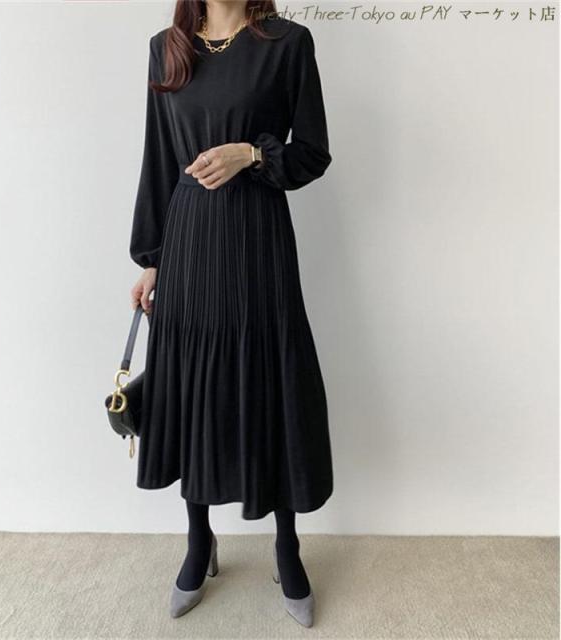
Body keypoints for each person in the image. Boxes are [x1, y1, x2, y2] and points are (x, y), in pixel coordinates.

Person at [129, 0, 334, 627]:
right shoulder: (167, 47)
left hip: (258, 234)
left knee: (269, 379)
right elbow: (159, 159)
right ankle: (199, 541)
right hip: (188, 239)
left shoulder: (287, 42)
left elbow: (313, 152)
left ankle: (286, 545)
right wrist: (151, 260)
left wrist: (252, 153)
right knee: (193, 385)